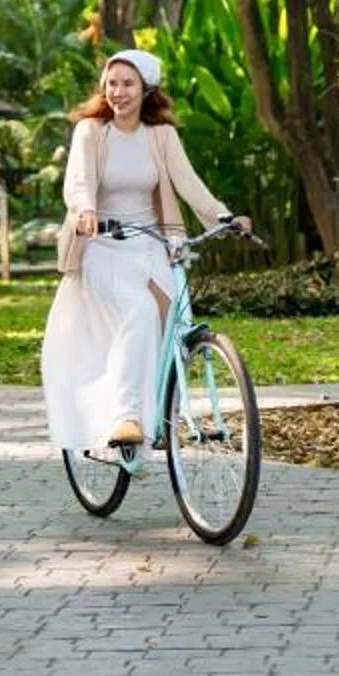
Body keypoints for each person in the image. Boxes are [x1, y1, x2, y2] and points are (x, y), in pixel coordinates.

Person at [41, 47, 244, 454]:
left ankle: (162, 418)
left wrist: (223, 217)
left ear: (146, 89)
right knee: (138, 311)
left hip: (153, 244)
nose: (119, 92)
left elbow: (189, 183)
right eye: (112, 83)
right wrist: (84, 212)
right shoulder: (91, 132)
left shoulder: (161, 135)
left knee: (176, 325)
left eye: (128, 84)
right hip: (103, 244)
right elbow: (78, 182)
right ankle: (126, 417)